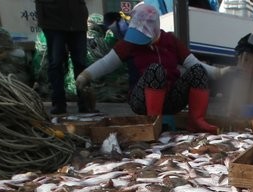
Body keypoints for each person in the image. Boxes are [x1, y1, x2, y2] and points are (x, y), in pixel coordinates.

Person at [76, 2, 221, 134]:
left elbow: (194, 63)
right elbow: (106, 63)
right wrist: (86, 75)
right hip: (142, 100)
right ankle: (153, 123)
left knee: (197, 71)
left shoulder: (171, 41)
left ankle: (196, 121)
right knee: (155, 70)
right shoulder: (129, 44)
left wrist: (219, 73)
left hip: (171, 99)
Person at [35, 0, 92, 115]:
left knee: (80, 63)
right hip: (53, 21)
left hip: (77, 21)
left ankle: (85, 103)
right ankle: (59, 103)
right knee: (56, 63)